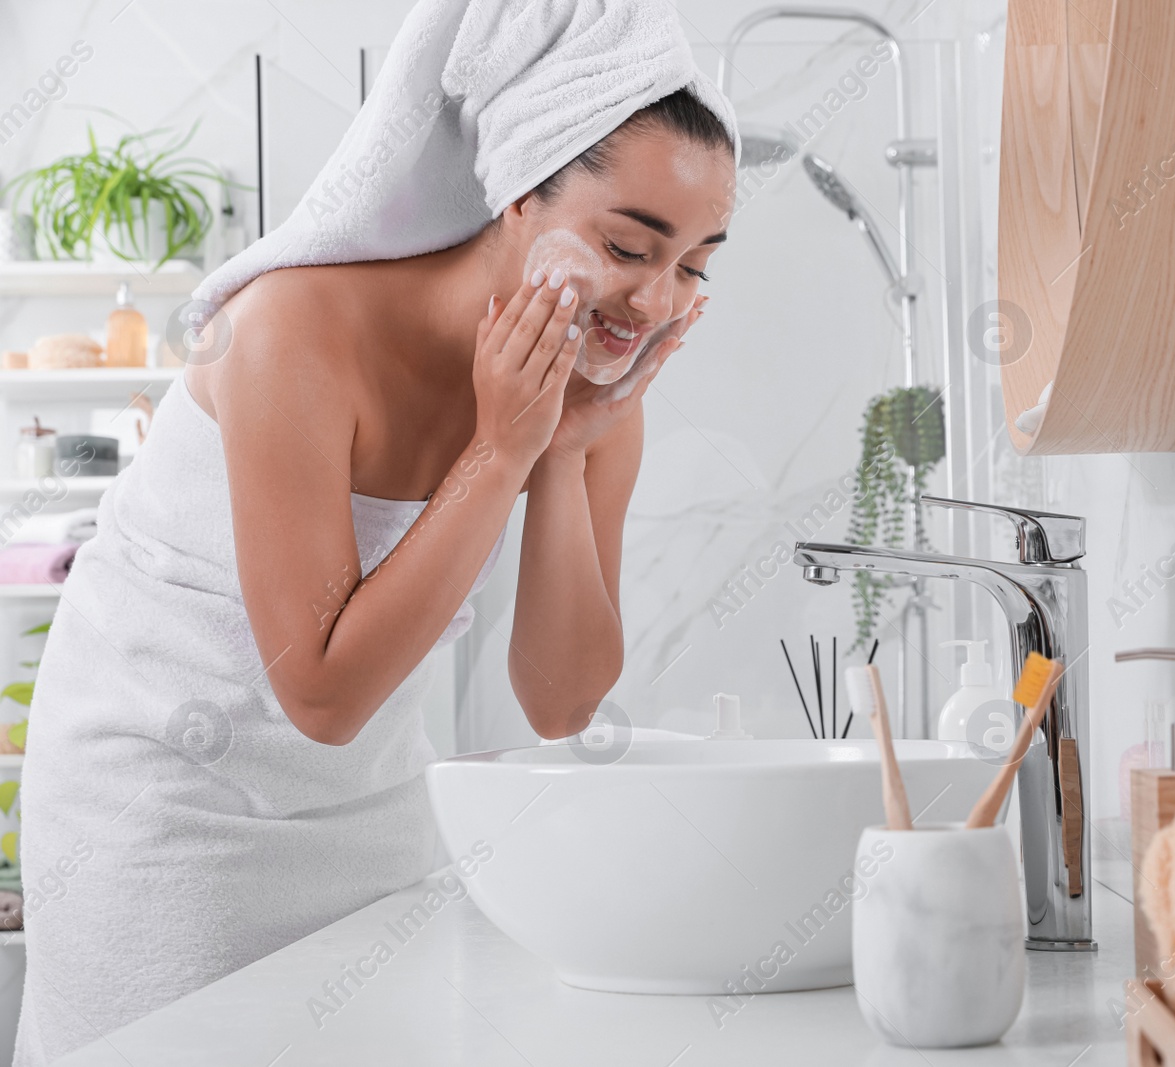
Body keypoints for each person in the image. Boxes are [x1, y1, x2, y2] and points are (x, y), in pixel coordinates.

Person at [14, 0, 736, 1060]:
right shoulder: (289, 332)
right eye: (630, 245)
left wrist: (565, 451)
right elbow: (320, 689)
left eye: (696, 266)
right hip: (161, 803)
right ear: (522, 192)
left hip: (367, 801)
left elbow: (561, 699)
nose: (656, 300)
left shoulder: (586, 392)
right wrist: (499, 451)